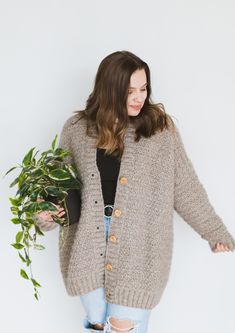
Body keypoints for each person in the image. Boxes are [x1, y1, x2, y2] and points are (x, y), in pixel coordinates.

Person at [34, 50, 235, 333]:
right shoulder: (76, 130)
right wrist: (45, 215)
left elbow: (186, 186)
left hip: (139, 249)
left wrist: (214, 232)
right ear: (109, 90)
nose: (139, 97)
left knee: (122, 327)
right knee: (97, 325)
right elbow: (57, 186)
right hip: (87, 246)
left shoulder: (160, 131)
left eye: (143, 88)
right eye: (130, 91)